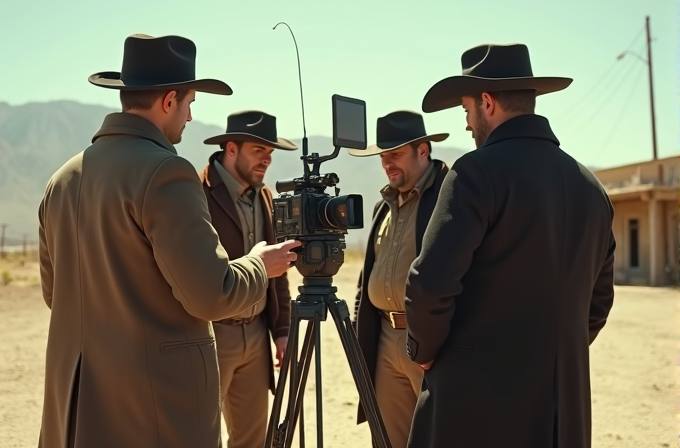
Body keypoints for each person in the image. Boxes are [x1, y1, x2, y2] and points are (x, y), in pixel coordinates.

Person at [37, 34, 301, 448]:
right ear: (169, 101)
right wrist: (259, 264)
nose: (191, 117)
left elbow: (58, 294)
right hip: (154, 409)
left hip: (78, 409)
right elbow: (211, 294)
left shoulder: (61, 179)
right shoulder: (166, 172)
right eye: (191, 103)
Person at [403, 43, 616, 448]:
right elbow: (598, 302)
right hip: (562, 409)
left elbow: (429, 282)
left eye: (466, 110)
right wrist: (550, 353)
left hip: (477, 405)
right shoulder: (593, 188)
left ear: (487, 103)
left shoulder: (476, 172)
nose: (467, 125)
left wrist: (424, 349)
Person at [348, 110, 450, 448]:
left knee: (437, 436)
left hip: (430, 342)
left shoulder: (450, 197)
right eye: (383, 157)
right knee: (389, 440)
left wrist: (433, 340)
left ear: (423, 150)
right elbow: (367, 280)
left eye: (396, 155)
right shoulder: (384, 205)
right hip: (384, 338)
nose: (387, 163)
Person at [199, 110, 298, 448]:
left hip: (256, 335)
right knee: (198, 434)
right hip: (211, 334)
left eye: (270, 154)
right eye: (259, 151)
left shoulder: (266, 197)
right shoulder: (197, 192)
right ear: (231, 148)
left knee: (253, 439)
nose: (267, 160)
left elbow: (277, 273)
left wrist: (281, 331)